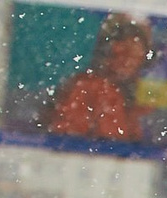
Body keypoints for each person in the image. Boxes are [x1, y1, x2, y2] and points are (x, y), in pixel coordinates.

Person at [43, 14, 153, 142]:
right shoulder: (86, 88)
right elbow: (66, 145)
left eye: (136, 57)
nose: (127, 63)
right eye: (122, 53)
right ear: (105, 52)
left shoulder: (134, 97)